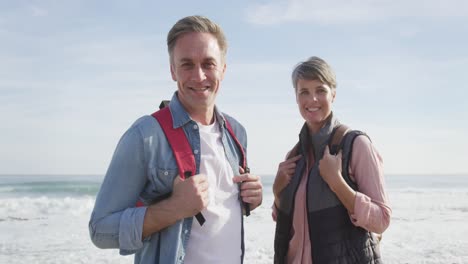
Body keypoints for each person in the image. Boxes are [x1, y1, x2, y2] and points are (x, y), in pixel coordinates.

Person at [89, 15, 263, 264]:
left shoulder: (236, 132)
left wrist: (251, 198)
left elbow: (221, 213)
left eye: (208, 63)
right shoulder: (145, 135)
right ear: (172, 70)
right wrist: (176, 207)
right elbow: (99, 230)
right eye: (187, 64)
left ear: (223, 69)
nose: (199, 76)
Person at [272, 56, 391, 264]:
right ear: (296, 98)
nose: (313, 100)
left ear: (333, 95)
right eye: (304, 92)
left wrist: (337, 182)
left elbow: (381, 220)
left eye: (320, 90)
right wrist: (277, 191)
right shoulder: (294, 156)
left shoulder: (356, 145)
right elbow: (290, 223)